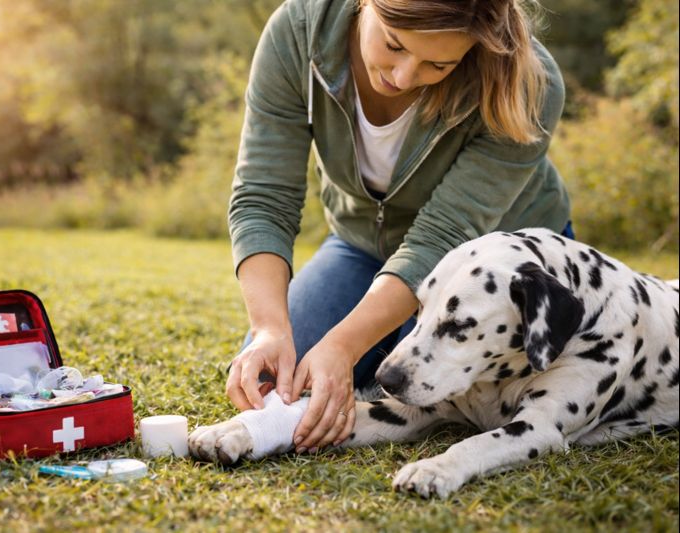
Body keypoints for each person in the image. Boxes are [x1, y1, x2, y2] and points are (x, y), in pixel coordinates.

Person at [226, 0, 571, 455]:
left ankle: (392, 333)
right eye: (393, 45)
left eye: (439, 65)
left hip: (485, 272)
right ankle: (383, 328)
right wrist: (270, 329)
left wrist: (345, 345)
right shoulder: (299, 31)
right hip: (361, 246)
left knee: (427, 391)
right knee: (279, 382)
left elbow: (442, 236)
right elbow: (264, 195)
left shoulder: (529, 81)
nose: (404, 77)